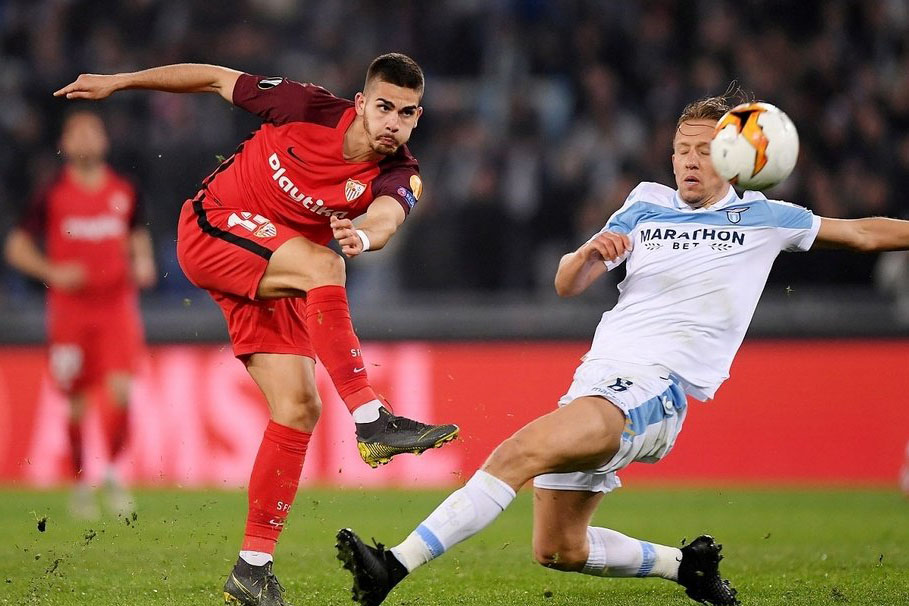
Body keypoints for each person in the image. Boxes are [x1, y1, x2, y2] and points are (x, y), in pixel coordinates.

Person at [335, 94, 909, 606]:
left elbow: (862, 233)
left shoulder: (763, 218)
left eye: (704, 151)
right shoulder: (645, 203)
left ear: (733, 158)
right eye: (681, 150)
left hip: (655, 388)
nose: (689, 161)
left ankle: (392, 566)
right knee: (558, 548)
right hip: (598, 380)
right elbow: (566, 283)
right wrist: (588, 254)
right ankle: (686, 566)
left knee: (515, 454)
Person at [54, 53, 459, 605]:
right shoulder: (304, 105)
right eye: (384, 107)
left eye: (406, 113)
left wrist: (363, 236)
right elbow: (214, 78)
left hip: (274, 267)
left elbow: (386, 217)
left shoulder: (400, 173)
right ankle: (371, 420)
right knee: (324, 265)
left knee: (299, 407)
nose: (393, 123)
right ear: (362, 103)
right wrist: (120, 81)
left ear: (417, 117)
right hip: (214, 224)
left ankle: (252, 569)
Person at [4, 110, 156, 519]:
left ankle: (114, 473)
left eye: (93, 131)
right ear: (65, 144)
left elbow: (137, 234)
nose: (86, 139)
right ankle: (79, 481)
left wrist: (143, 261)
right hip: (70, 312)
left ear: (104, 140)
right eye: (78, 133)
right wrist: (51, 272)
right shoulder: (50, 194)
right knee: (75, 402)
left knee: (121, 391)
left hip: (116, 307)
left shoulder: (124, 190)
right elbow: (16, 247)